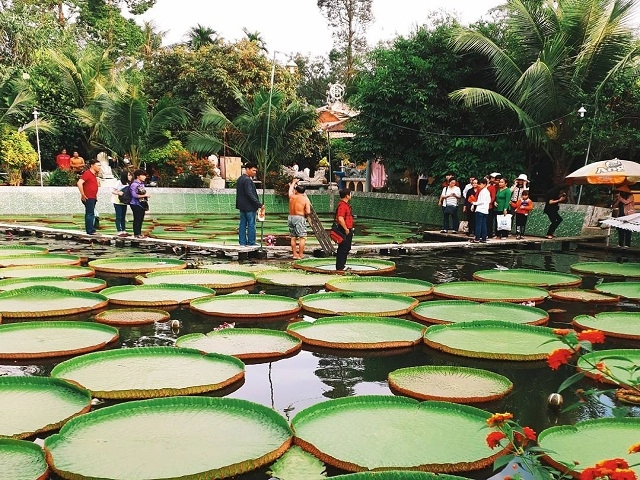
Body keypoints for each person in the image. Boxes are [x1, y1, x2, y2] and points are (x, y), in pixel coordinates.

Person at [235, 162, 263, 246]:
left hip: (242, 206)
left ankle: (242, 242)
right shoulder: (247, 180)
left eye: (255, 171)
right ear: (247, 169)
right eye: (253, 170)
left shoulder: (240, 178)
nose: (254, 172)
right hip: (249, 206)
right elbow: (249, 193)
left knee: (242, 224)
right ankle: (251, 242)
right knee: (251, 224)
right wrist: (259, 204)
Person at [288, 178, 311, 259]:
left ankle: (295, 254)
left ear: (296, 191)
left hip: (290, 217)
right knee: (302, 237)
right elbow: (308, 211)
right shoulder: (305, 199)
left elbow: (290, 190)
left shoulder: (292, 197)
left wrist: (293, 182)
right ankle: (300, 255)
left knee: (293, 237)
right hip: (299, 217)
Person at [77, 158, 101, 235]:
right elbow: (79, 183)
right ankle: (90, 230)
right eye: (98, 165)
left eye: (100, 165)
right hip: (88, 197)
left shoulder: (94, 175)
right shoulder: (87, 173)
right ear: (92, 165)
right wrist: (83, 194)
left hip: (92, 197)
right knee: (90, 213)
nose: (99, 167)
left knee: (91, 213)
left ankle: (91, 229)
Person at [335, 188, 354, 272]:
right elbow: (340, 218)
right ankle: (340, 267)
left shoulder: (345, 205)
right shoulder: (342, 205)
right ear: (347, 195)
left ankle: (342, 265)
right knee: (343, 247)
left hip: (347, 228)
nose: (351, 195)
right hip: (344, 229)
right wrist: (346, 229)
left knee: (346, 247)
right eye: (350, 194)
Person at [130, 169, 151, 238]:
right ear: (138, 176)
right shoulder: (134, 184)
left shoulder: (141, 184)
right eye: (143, 175)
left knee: (141, 219)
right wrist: (145, 195)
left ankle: (139, 233)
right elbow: (134, 195)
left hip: (141, 204)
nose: (144, 177)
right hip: (135, 204)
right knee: (137, 219)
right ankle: (136, 234)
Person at [112, 170, 132, 237]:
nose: (130, 176)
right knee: (119, 216)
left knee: (123, 216)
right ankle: (119, 231)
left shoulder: (128, 183)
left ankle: (124, 230)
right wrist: (118, 193)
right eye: (129, 175)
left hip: (124, 202)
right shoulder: (119, 182)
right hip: (117, 202)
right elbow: (113, 191)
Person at [470, 177, 490, 243]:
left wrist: (473, 203)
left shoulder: (483, 191)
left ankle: (477, 238)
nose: (479, 185)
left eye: (480, 184)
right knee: (483, 224)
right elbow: (488, 201)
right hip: (485, 210)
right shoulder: (487, 192)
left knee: (478, 224)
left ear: (484, 184)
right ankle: (483, 238)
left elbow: (481, 201)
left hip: (480, 209)